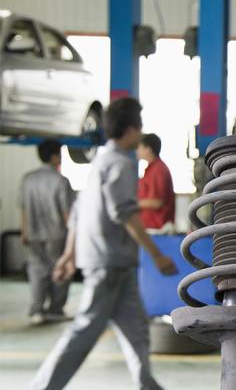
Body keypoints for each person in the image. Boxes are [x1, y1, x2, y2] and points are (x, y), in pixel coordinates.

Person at [30, 97, 178, 390]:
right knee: (84, 332)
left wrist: (69, 255)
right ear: (132, 129)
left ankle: (147, 384)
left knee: (137, 331)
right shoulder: (121, 163)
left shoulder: (101, 161)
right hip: (110, 263)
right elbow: (124, 214)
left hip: (116, 264)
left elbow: (77, 213)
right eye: (139, 126)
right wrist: (157, 255)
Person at [19, 139, 73, 325]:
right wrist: (73, 238)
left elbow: (24, 208)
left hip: (33, 233)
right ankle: (56, 309)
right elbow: (68, 214)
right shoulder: (61, 181)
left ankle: (37, 309)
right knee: (60, 270)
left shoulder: (28, 178)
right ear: (54, 156)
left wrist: (24, 231)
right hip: (56, 234)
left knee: (36, 271)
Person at [136, 133, 175, 232]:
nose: (137, 151)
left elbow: (157, 202)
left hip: (157, 229)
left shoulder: (158, 170)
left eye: (139, 147)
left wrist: (132, 204)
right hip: (150, 227)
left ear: (148, 149)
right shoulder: (151, 169)